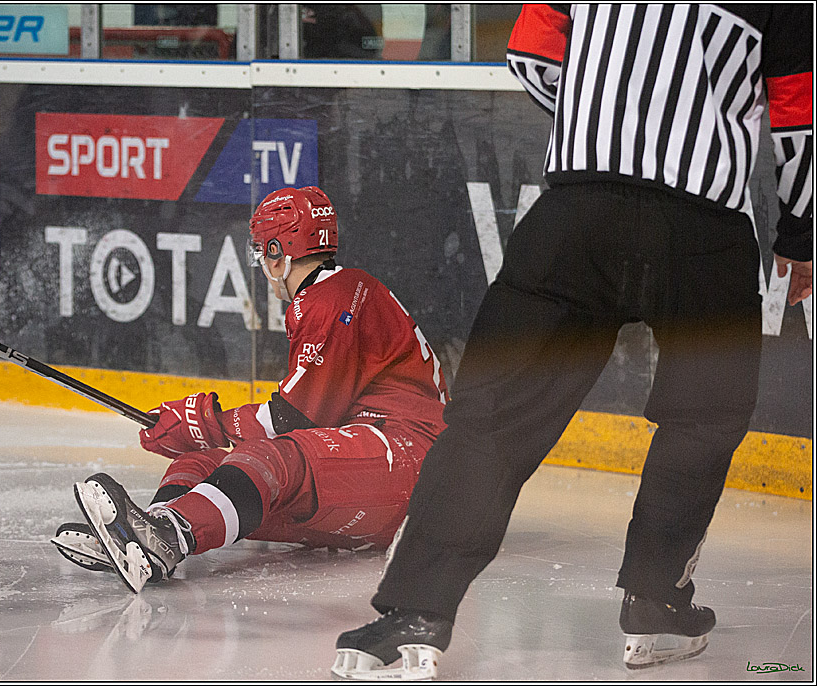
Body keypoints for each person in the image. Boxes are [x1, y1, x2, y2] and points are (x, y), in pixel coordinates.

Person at [333, 4, 812, 680]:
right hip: (703, 229)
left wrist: (608, 120)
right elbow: (799, 117)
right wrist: (801, 236)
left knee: (492, 420)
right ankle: (654, 606)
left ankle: (414, 613)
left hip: (574, 214)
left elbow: (531, 54)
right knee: (702, 419)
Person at [51, 185, 449, 594]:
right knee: (211, 464)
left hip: (411, 461)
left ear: (279, 250)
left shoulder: (334, 298)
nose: (262, 263)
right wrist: (202, 434)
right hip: (371, 476)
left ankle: (166, 537)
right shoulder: (331, 294)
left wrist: (203, 421)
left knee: (272, 460)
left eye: (263, 251)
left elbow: (294, 418)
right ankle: (146, 534)